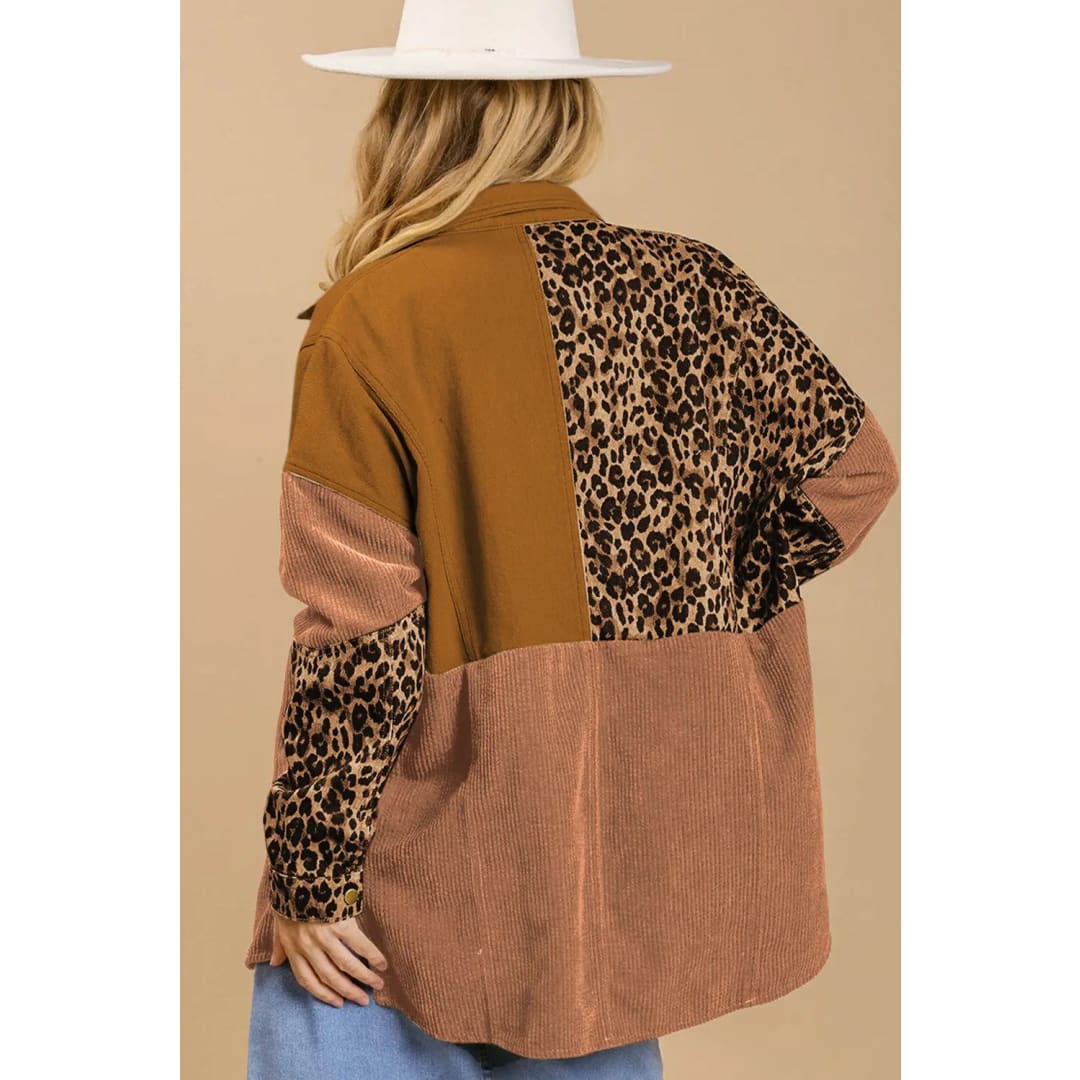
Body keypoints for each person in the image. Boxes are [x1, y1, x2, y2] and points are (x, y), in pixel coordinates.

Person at [242, 2, 900, 1077]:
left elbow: (361, 628)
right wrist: (709, 601)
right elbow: (855, 472)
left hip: (414, 883)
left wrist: (312, 876)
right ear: (567, 109)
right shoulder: (697, 285)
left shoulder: (377, 315)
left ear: (406, 116)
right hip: (613, 870)